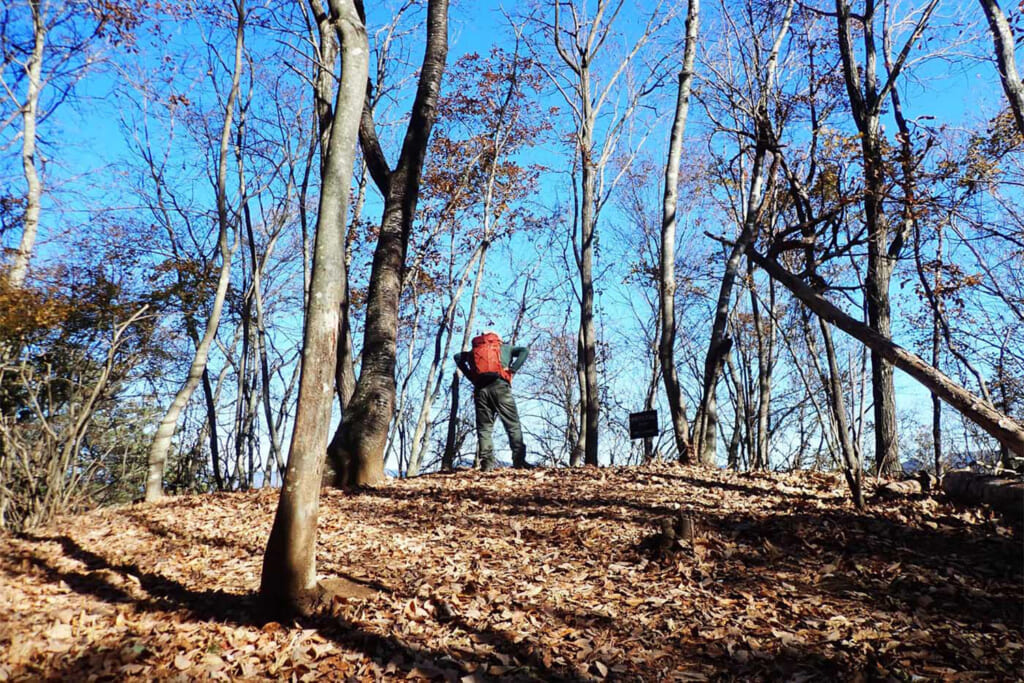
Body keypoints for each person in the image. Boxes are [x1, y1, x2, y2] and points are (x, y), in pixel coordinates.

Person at [454, 331, 529, 471]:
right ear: (497, 339)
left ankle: (487, 464)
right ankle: (519, 461)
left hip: (480, 390)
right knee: (512, 424)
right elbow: (524, 350)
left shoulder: (473, 352)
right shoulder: (504, 348)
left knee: (484, 428)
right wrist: (513, 369)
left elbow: (457, 357)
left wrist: (471, 377)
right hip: (500, 387)